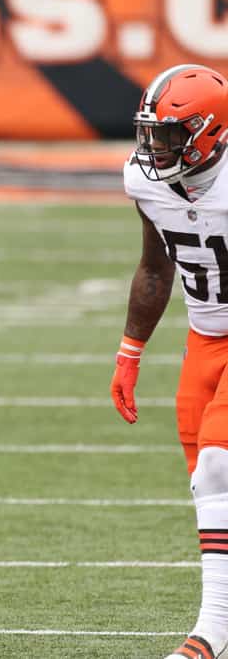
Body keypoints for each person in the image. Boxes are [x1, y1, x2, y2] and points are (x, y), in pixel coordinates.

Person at [113, 63, 228, 659]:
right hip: (204, 338)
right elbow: (156, 266)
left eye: (169, 134)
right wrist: (131, 352)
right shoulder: (145, 179)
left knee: (217, 468)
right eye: (150, 133)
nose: (155, 147)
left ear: (208, 133)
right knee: (209, 487)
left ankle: (211, 633)